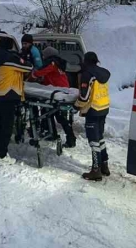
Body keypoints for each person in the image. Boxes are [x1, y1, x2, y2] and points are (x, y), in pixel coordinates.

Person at [0, 37, 32, 164]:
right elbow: (28, 67)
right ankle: (2, 155)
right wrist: (20, 57)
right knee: (6, 126)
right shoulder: (10, 59)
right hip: (8, 95)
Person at [74, 51, 111, 181]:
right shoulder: (103, 73)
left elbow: (84, 97)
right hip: (104, 107)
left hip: (93, 109)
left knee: (93, 141)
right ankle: (104, 166)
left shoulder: (87, 74)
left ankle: (96, 170)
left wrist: (76, 105)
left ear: (85, 61)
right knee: (100, 138)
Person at [31, 47, 76, 148]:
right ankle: (66, 137)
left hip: (57, 92)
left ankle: (59, 136)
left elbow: (40, 73)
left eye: (44, 55)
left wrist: (33, 74)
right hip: (63, 91)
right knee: (56, 115)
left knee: (52, 114)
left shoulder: (52, 63)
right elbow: (51, 77)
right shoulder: (59, 64)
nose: (42, 57)